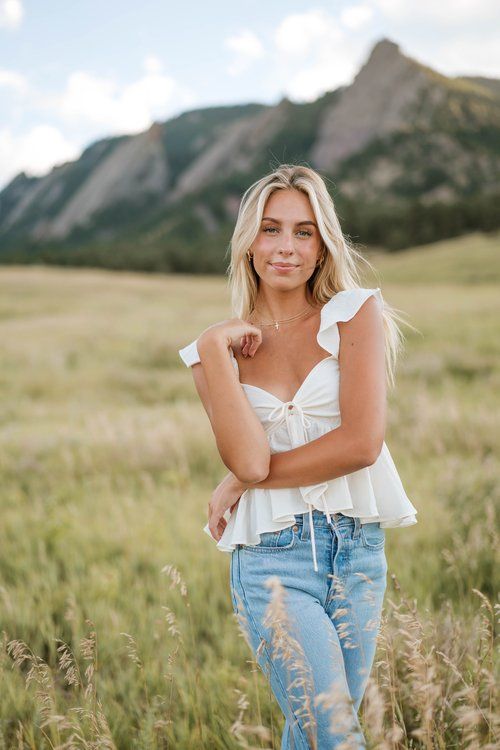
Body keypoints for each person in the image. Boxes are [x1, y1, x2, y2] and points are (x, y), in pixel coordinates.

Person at [178, 164, 418, 749]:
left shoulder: (354, 314)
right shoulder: (215, 353)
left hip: (358, 551)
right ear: (248, 243)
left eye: (304, 231)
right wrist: (213, 347)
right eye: (270, 229)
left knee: (311, 733)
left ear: (322, 245)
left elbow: (361, 444)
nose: (286, 246)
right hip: (271, 563)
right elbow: (250, 460)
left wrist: (239, 484)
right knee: (335, 735)